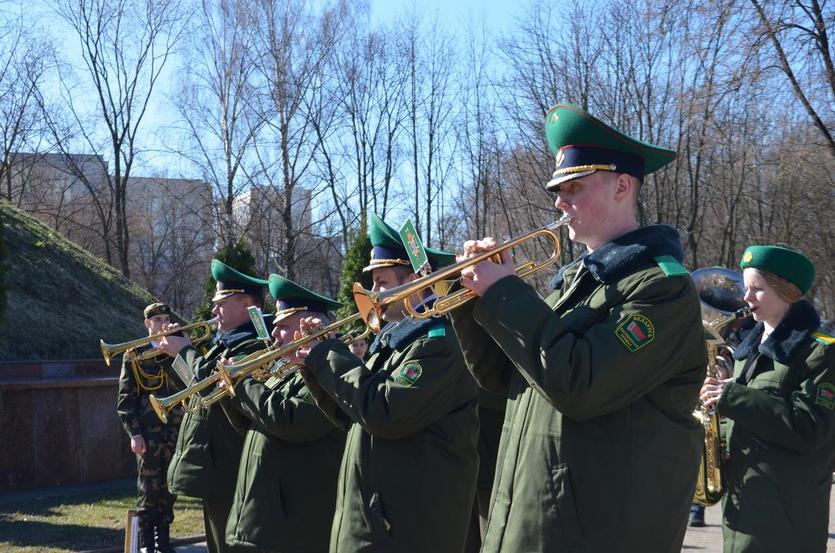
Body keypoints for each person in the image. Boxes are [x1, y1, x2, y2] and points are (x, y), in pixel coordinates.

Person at [451, 103, 708, 552]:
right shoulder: (572, 283)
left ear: (622, 186)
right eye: (557, 189)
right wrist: (471, 302)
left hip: (593, 532)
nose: (558, 201)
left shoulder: (662, 288)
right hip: (529, 522)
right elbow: (504, 380)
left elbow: (579, 382)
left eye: (574, 187)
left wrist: (505, 295)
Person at [292, 214, 479, 553]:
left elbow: (385, 411)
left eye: (381, 282)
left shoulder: (438, 344)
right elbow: (353, 415)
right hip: (377, 523)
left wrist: (328, 356)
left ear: (415, 281)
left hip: (408, 529)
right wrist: (314, 366)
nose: (372, 293)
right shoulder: (394, 342)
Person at [700, 245, 835, 552]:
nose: (746, 299)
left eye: (757, 290)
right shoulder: (750, 349)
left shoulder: (822, 352)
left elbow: (810, 427)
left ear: (786, 291)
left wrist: (732, 395)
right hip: (743, 511)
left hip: (785, 521)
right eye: (746, 288)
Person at [221, 274, 346, 552]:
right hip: (259, 516)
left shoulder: (327, 372)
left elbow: (290, 420)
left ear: (307, 327)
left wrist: (242, 385)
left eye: (283, 326)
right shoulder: (282, 370)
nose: (274, 334)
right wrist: (229, 395)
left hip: (294, 522)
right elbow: (253, 424)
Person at [157, 260, 269, 553]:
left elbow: (216, 385)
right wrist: (173, 355)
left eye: (221, 303)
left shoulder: (254, 347)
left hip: (231, 462)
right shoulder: (225, 344)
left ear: (247, 303)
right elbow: (196, 390)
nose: (214, 310)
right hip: (215, 464)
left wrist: (186, 351)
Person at [117, 302, 182, 553]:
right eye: (158, 320)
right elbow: (125, 399)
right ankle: (146, 543)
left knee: (169, 487)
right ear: (147, 324)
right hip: (148, 433)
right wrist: (134, 433)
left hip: (174, 430)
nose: (163, 324)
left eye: (166, 319)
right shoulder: (134, 354)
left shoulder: (176, 349)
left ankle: (164, 541)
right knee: (148, 487)